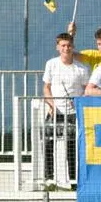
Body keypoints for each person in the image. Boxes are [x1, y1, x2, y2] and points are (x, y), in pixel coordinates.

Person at [42, 32, 89, 187]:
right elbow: (46, 88)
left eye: (68, 45)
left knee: (73, 146)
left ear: (73, 46)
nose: (66, 48)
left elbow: (87, 90)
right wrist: (52, 105)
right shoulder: (51, 64)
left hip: (74, 113)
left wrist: (79, 102)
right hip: (56, 112)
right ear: (57, 47)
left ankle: (74, 181)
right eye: (63, 45)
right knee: (48, 141)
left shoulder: (81, 68)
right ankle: (49, 179)